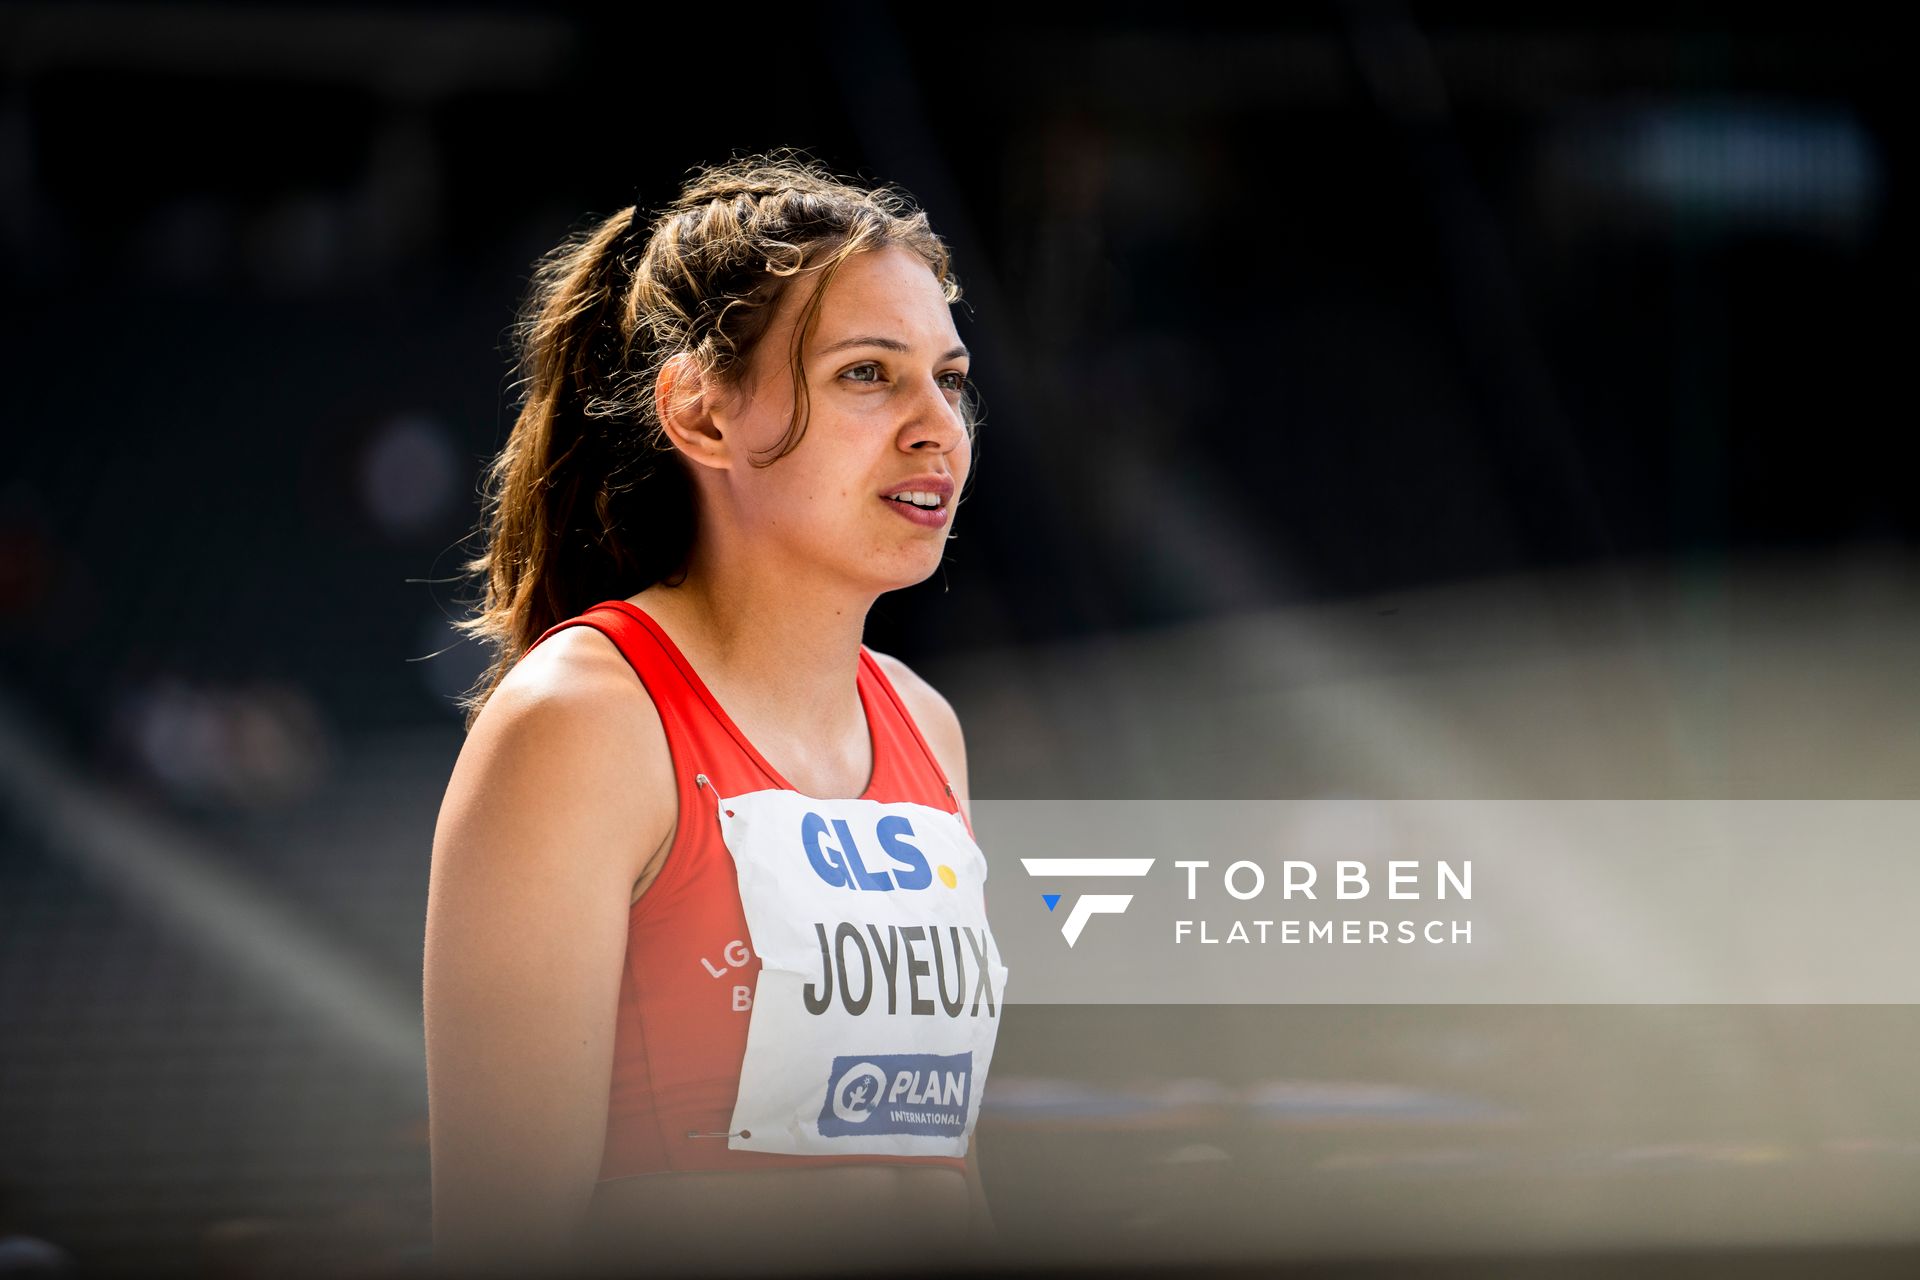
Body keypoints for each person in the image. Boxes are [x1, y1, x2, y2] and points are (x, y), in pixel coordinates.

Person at [423, 152, 1008, 1278]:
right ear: (700, 410)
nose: (940, 425)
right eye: (868, 375)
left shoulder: (927, 725)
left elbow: (947, 1171)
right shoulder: (583, 722)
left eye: (950, 375)